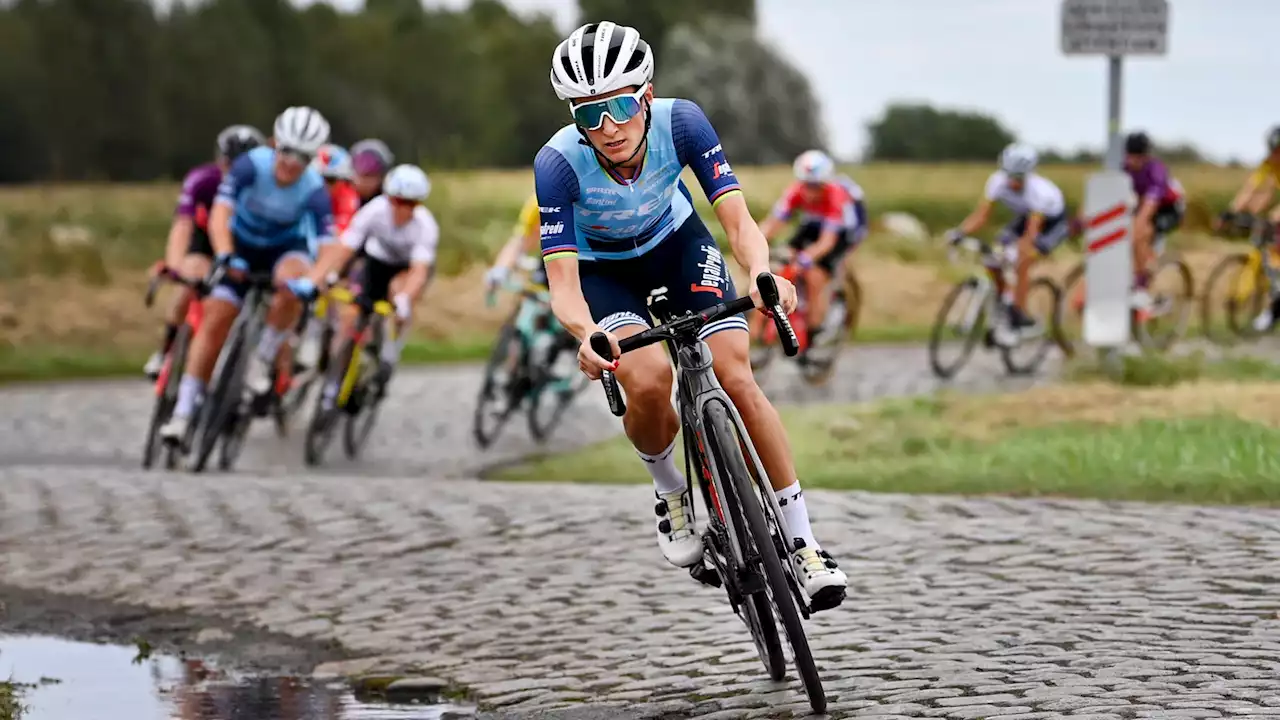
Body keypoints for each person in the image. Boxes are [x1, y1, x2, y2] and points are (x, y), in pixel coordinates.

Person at [536, 21, 847, 610]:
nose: (609, 128)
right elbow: (564, 282)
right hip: (606, 273)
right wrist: (587, 333)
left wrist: (761, 276)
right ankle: (672, 492)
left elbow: (736, 220)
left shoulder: (683, 122)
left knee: (736, 375)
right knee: (648, 380)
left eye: (621, 106)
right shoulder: (556, 163)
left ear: (646, 95)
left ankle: (804, 547)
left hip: (677, 244)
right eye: (589, 115)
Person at [159, 106, 334, 444]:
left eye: (303, 157)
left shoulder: (314, 189)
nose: (291, 163)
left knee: (293, 281)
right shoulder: (250, 166)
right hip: (240, 244)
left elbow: (329, 247)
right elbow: (220, 214)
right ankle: (182, 412)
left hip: (284, 249)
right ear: (274, 144)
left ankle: (263, 356)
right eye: (286, 151)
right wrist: (225, 255)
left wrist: (312, 283)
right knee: (215, 320)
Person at [289, 164, 438, 399]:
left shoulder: (425, 226)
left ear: (419, 204)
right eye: (398, 201)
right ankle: (336, 375)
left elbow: (419, 272)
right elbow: (345, 248)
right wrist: (326, 276)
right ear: (389, 197)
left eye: (410, 204)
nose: (402, 209)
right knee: (350, 315)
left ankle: (390, 353)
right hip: (377, 261)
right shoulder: (374, 211)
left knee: (398, 294)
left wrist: (405, 299)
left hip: (406, 268)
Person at [144, 125, 265, 377]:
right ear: (219, 161)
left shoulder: (264, 189)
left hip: (242, 247)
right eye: (228, 164)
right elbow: (182, 226)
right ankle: (166, 349)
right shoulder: (202, 180)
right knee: (190, 278)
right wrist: (175, 266)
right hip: (205, 244)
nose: (233, 172)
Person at [946, 143, 1069, 346]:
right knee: (994, 254)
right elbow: (981, 215)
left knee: (1023, 259)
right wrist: (959, 232)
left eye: (1018, 178)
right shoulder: (996, 182)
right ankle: (1005, 298)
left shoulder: (1038, 192)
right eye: (1009, 176)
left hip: (1051, 223)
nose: (1012, 182)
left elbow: (1032, 232)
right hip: (1024, 217)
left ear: (1028, 175)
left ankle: (1018, 317)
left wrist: (1024, 249)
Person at [752, 149, 864, 352]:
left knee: (814, 275)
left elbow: (827, 242)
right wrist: (754, 243)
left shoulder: (835, 196)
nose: (810, 192)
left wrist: (806, 258)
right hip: (813, 223)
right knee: (786, 260)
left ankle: (814, 329)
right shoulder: (795, 191)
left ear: (825, 183)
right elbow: (771, 224)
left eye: (815, 186)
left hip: (843, 232)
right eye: (806, 185)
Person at [1219, 127, 1280, 330]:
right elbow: (1252, 189)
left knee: (1274, 223)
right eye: (1272, 151)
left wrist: (1274, 217)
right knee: (1269, 244)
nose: (1275, 156)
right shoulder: (1268, 164)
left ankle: (1272, 308)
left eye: (1278, 151)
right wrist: (1231, 210)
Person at [1122, 131, 1186, 319]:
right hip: (1143, 204)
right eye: (1131, 156)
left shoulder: (1156, 170)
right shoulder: (1123, 167)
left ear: (1146, 156)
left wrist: (1136, 231)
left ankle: (1142, 287)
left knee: (1141, 233)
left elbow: (1148, 208)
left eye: (1139, 157)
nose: (1135, 161)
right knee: (1132, 235)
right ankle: (1139, 275)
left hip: (1168, 208)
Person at [351, 139, 395, 207]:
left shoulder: (392, 205)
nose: (364, 182)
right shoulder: (342, 199)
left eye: (370, 176)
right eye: (361, 175)